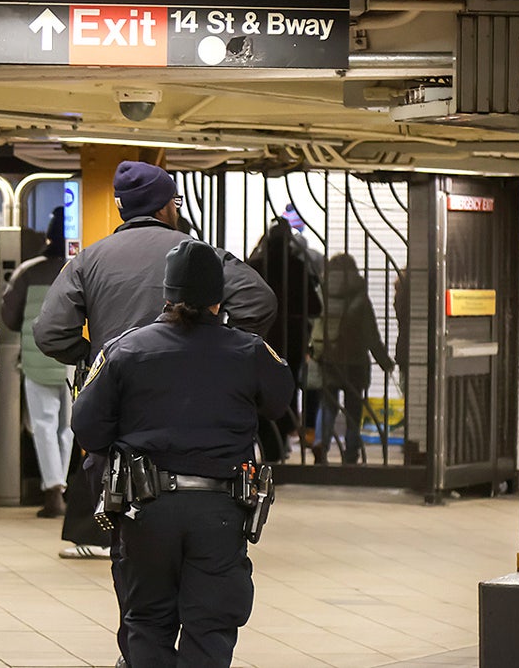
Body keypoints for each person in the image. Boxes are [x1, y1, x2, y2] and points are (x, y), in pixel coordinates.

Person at [33, 160, 278, 663]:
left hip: (131, 457)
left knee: (142, 592)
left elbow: (50, 333)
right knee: (211, 606)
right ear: (168, 206)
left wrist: (96, 358)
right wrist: (217, 342)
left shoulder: (90, 261)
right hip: (212, 469)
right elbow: (259, 302)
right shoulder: (197, 255)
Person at [72, 240, 294, 667]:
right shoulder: (248, 351)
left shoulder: (125, 349)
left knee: (148, 622)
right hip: (221, 508)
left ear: (167, 294)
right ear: (219, 299)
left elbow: (88, 426)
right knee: (210, 625)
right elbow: (278, 401)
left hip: (145, 508)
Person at [1, 208, 72, 518]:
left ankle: (53, 491)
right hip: (72, 361)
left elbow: (9, 316)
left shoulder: (27, 271)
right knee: (67, 428)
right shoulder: (77, 267)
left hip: (37, 358)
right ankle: (67, 487)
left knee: (43, 425)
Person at [246, 215, 323, 460]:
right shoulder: (297, 266)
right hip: (291, 342)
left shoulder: (256, 266)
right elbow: (315, 306)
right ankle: (277, 448)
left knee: (255, 391)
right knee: (285, 393)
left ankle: (261, 442)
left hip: (259, 339)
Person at [312, 253, 395, 465]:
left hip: (329, 359)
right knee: (353, 410)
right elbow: (371, 334)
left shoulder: (322, 294)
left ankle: (321, 442)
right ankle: (350, 454)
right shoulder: (359, 297)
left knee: (328, 405)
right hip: (355, 361)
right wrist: (384, 361)